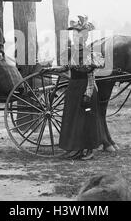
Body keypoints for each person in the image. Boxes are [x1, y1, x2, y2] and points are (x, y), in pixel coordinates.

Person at [51, 15, 106, 160]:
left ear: (85, 37)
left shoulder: (90, 53)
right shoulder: (71, 51)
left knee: (86, 119)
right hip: (73, 88)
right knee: (73, 119)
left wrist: (88, 93)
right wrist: (51, 69)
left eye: (78, 35)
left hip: (85, 88)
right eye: (74, 35)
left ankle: (89, 150)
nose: (75, 38)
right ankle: (76, 149)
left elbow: (91, 75)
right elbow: (66, 67)